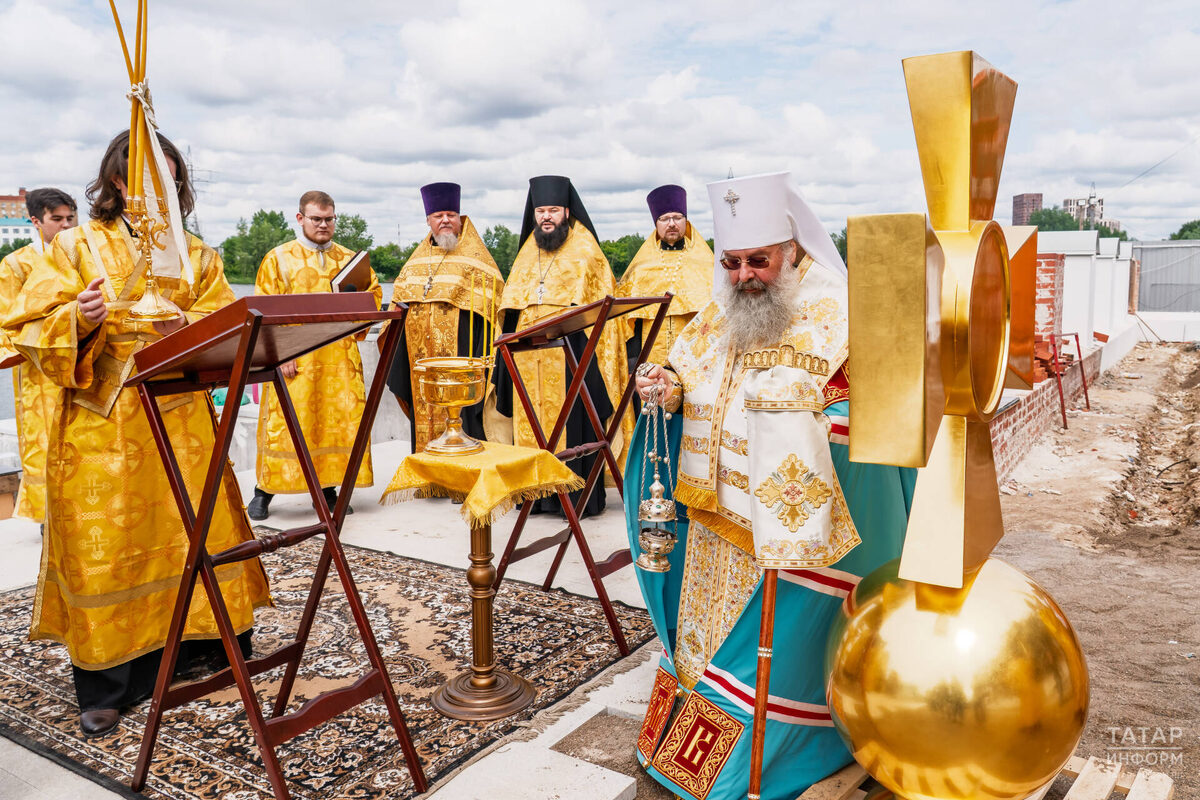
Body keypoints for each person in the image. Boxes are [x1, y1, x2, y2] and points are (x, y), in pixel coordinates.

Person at [627, 172, 914, 799]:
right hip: (710, 523)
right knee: (700, 644)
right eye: (731, 263)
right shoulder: (718, 311)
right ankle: (682, 737)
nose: (742, 277)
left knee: (773, 659)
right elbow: (688, 376)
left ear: (792, 251)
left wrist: (803, 411)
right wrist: (663, 390)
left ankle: (769, 756)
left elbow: (865, 416)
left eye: (758, 261)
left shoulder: (835, 312)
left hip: (782, 532)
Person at [1, 131, 271, 736]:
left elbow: (223, 314)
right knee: (113, 546)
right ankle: (108, 681)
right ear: (118, 182)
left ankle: (206, 647)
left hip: (182, 420)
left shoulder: (197, 253)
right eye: (147, 178)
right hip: (106, 422)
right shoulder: (73, 245)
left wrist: (188, 321)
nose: (160, 189)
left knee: (194, 529)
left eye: (170, 178)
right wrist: (79, 316)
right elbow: (24, 324)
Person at [489, 175, 628, 518]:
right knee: (529, 423)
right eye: (541, 211)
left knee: (575, 424)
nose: (547, 217)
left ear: (567, 211)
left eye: (553, 210)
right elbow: (511, 308)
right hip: (526, 357)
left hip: (573, 355)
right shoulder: (526, 253)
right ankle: (534, 497)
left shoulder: (586, 251)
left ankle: (576, 499)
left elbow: (602, 313)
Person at [248, 190, 382, 520]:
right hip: (296, 360)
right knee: (286, 425)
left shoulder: (351, 260)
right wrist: (279, 353)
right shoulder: (278, 258)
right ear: (300, 219)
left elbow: (372, 298)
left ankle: (328, 490)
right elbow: (263, 309)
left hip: (338, 360)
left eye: (329, 219)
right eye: (316, 219)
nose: (323, 225)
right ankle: (264, 491)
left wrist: (363, 311)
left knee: (334, 426)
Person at [385, 182, 502, 452]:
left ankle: (465, 475)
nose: (445, 220)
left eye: (451, 214)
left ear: (460, 219)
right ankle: (430, 475)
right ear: (428, 220)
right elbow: (396, 312)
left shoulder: (478, 261)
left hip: (464, 357)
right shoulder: (413, 263)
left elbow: (494, 312)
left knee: (467, 415)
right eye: (438, 216)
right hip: (421, 364)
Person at [0, 187, 76, 523]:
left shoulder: (83, 255)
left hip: (80, 365)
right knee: (44, 444)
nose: (65, 225)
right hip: (38, 372)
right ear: (35, 221)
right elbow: (7, 322)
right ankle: (49, 518)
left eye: (70, 218)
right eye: (56, 219)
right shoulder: (16, 265)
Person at [616, 184, 713, 368]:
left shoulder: (706, 264)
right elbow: (630, 320)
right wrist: (631, 365)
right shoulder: (641, 267)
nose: (671, 223)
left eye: (677, 217)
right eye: (664, 219)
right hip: (650, 357)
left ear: (686, 221)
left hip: (696, 358)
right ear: (656, 223)